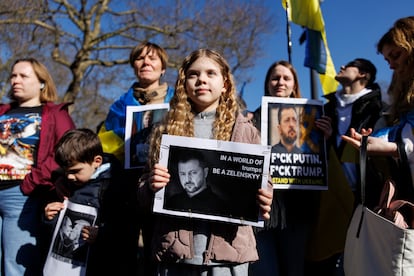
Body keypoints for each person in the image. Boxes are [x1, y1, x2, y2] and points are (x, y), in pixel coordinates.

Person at [138, 48, 273, 276]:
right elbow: (142, 189)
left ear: (225, 84)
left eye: (211, 73)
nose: (201, 79)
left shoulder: (245, 131)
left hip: (229, 257)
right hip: (177, 256)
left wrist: (265, 196)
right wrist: (151, 185)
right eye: (193, 74)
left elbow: (264, 182)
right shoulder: (165, 130)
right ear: (183, 83)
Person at [97, 41, 174, 275]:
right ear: (134, 66)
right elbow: (105, 142)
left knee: (158, 253)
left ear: (162, 68)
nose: (146, 62)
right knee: (123, 256)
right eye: (140, 58)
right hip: (127, 189)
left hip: (164, 188)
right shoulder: (119, 106)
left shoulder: (178, 100)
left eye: (152, 58)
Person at [307, 58, 383, 275]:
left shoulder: (378, 107)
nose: (341, 67)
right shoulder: (326, 107)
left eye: (348, 65)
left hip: (367, 196)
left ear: (363, 75)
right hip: (330, 194)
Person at [0, 57, 75, 275]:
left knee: (16, 265)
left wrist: (33, 180)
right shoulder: (3, 111)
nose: (16, 80)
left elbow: (68, 149)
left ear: (42, 82)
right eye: (13, 75)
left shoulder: (54, 113)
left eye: (23, 75)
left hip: (23, 197)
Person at [249, 60, 318, 276]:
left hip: (297, 213)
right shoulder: (252, 119)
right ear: (267, 84)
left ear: (294, 84)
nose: (280, 82)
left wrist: (324, 136)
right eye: (275, 78)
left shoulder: (312, 121)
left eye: (286, 78)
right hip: (262, 212)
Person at [342, 16, 414, 201]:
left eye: (396, 55)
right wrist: (381, 138)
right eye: (387, 59)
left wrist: (392, 148)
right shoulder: (399, 93)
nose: (391, 65)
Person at [44, 128, 123, 275]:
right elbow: (58, 228)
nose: (69, 177)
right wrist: (49, 218)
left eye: (75, 171)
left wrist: (101, 235)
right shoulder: (65, 184)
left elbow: (123, 227)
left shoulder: (115, 186)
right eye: (65, 171)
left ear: (97, 161)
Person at [164, 151, 228, 216]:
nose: (187, 179)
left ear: (205, 172)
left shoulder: (220, 207)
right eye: (183, 174)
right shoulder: (172, 202)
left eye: (193, 173)